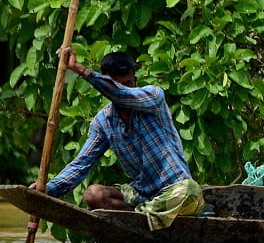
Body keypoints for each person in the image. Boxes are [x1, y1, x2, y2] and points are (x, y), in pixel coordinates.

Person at [47, 46, 202, 228]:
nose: (123, 89)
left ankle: (139, 218)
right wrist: (48, 189)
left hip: (175, 189)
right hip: (141, 194)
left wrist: (80, 69)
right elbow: (81, 164)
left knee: (190, 190)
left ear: (135, 81)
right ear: (106, 86)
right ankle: (143, 218)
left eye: (128, 84)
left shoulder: (153, 96)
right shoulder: (103, 122)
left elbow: (120, 95)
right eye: (115, 85)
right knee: (93, 194)